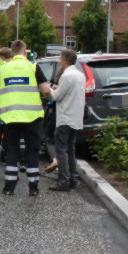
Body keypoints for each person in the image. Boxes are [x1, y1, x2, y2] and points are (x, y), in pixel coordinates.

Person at [0, 40, 51, 196]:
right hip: (32, 118)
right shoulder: (33, 67)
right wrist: (51, 96)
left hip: (10, 117)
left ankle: (9, 187)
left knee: (12, 151)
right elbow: (45, 89)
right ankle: (33, 187)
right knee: (32, 152)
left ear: (12, 52)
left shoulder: (3, 68)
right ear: (25, 52)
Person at [49, 49, 86, 192]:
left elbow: (57, 97)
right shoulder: (80, 75)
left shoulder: (66, 75)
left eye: (60, 59)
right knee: (71, 149)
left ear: (65, 60)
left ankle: (63, 181)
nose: (60, 61)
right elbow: (70, 92)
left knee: (61, 151)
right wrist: (57, 89)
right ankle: (73, 178)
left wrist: (49, 89)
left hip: (65, 118)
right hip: (76, 118)